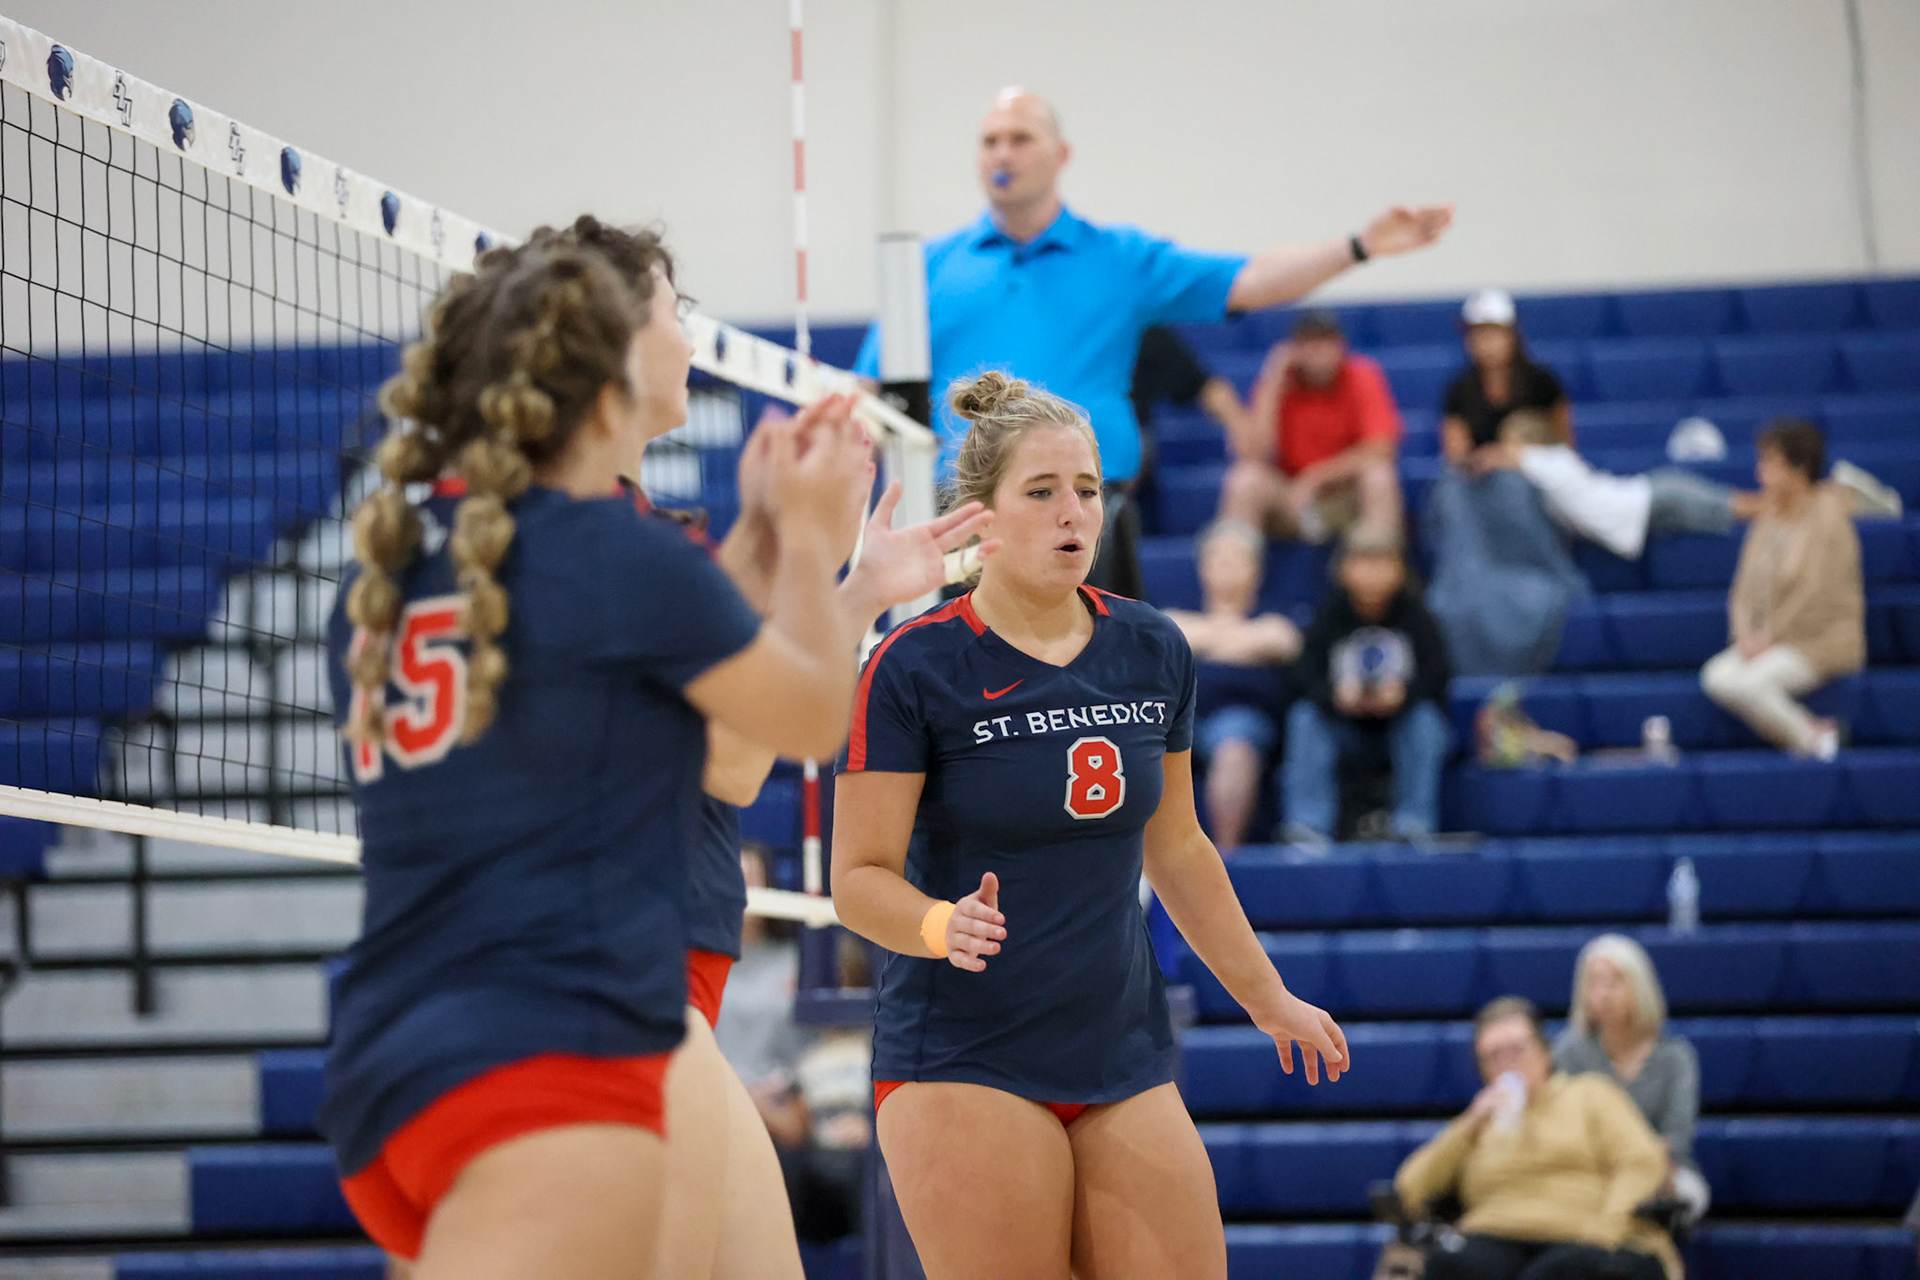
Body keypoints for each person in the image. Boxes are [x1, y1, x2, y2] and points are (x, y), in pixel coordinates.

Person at [320, 223, 991, 1279]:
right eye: (676, 312)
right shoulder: (620, 555)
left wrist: (823, 571)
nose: (692, 337)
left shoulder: (399, 567)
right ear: (614, 372)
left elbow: (642, 678)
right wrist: (813, 545)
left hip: (403, 1043)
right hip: (579, 1027)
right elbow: (781, 726)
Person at [831, 371, 1349, 1279]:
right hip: (964, 1054)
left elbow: (1180, 846)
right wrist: (937, 923)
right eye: (1042, 493)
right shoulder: (916, 665)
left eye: (1088, 490)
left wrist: (1268, 997)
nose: (1073, 513)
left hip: (1120, 1051)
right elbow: (856, 880)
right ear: (980, 518)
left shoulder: (1150, 646)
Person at [854, 88, 1452, 593]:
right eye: (990, 141)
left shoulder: (1119, 260)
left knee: (1102, 700)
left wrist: (1359, 246)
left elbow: (1245, 278)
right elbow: (866, 390)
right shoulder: (927, 268)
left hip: (1085, 516)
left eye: (1020, 138)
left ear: (1061, 155)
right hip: (960, 520)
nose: (1002, 153)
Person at [1395, 997, 1680, 1280]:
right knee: (1447, 1264)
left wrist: (1607, 1227)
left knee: (1562, 1271)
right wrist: (1468, 1125)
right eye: (1493, 1056)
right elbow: (1409, 1191)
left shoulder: (1589, 1095)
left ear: (1545, 1051)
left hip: (1580, 1234)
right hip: (1493, 1237)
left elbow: (1641, 1162)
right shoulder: (1477, 1124)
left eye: (1516, 1050)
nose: (1506, 1063)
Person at [1701, 418, 1864, 759]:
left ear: (1800, 466)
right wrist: (1745, 633)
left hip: (1818, 640)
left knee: (1750, 683)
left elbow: (1817, 592)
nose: (1761, 472)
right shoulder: (1769, 515)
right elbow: (1742, 588)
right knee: (1715, 676)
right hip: (1768, 640)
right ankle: (1815, 736)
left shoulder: (1828, 515)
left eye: (1770, 462)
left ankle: (1813, 742)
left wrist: (1770, 636)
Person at [1281, 530, 1450, 844]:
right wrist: (1334, 696)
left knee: (1425, 721)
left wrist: (1404, 696)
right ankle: (1308, 826)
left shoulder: (1420, 619)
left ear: (1401, 570)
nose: (1372, 575)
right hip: (1345, 730)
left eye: (1382, 563)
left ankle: (1413, 825)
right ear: (1342, 570)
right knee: (1305, 718)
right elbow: (1303, 678)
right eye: (1362, 563)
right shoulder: (1328, 618)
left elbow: (1437, 679)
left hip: (1401, 729)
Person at [1163, 520, 1301, 853]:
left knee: (1234, 745)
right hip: (1176, 718)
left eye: (1237, 558)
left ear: (1257, 569)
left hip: (1243, 719)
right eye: (1218, 557)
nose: (1226, 566)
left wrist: (1202, 641)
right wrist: (1242, 642)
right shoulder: (1172, 617)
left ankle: (1225, 857)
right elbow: (1167, 633)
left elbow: (1282, 641)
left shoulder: (1277, 618)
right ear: (1202, 568)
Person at [1551, 934, 1709, 1221]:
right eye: (1594, 983)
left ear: (1640, 986)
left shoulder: (1675, 1057)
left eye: (1615, 982)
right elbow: (1563, 1127)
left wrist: (1638, 1163)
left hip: (1661, 1168)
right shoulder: (1567, 1052)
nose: (1604, 993)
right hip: (1588, 1169)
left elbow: (1677, 1136)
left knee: (1688, 1194)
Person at [1221, 311, 1405, 544]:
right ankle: (1232, 574)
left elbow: (1382, 448)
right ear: (1293, 349)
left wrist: (1317, 477)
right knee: (1244, 480)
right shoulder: (1276, 384)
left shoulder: (1362, 375)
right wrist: (1272, 380)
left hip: (1344, 495)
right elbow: (1253, 454)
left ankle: (1379, 569)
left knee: (1379, 476)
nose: (1318, 350)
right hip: (1290, 498)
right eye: (1309, 342)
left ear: (1342, 345)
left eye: (1325, 341)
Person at [1486, 409, 1760, 560]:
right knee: (1726, 510)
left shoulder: (1551, 460)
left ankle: (1786, 506)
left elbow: (1509, 456)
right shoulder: (1547, 472)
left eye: (1509, 441)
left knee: (1733, 507)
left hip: (1654, 498)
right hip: (1647, 503)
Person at [1105, 325, 1253, 599]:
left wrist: (1240, 428)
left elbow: (1203, 384)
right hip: (1066, 445)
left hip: (1129, 450)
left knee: (1121, 448)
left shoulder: (1137, 328)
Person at [1442, 289, 1573, 467]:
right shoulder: (1460, 389)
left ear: (1512, 335)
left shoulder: (1541, 382)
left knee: (1512, 482)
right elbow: (1455, 452)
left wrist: (1508, 457)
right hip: (1479, 480)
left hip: (1533, 476)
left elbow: (1563, 444)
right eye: (1478, 334)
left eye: (1494, 333)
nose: (1486, 343)